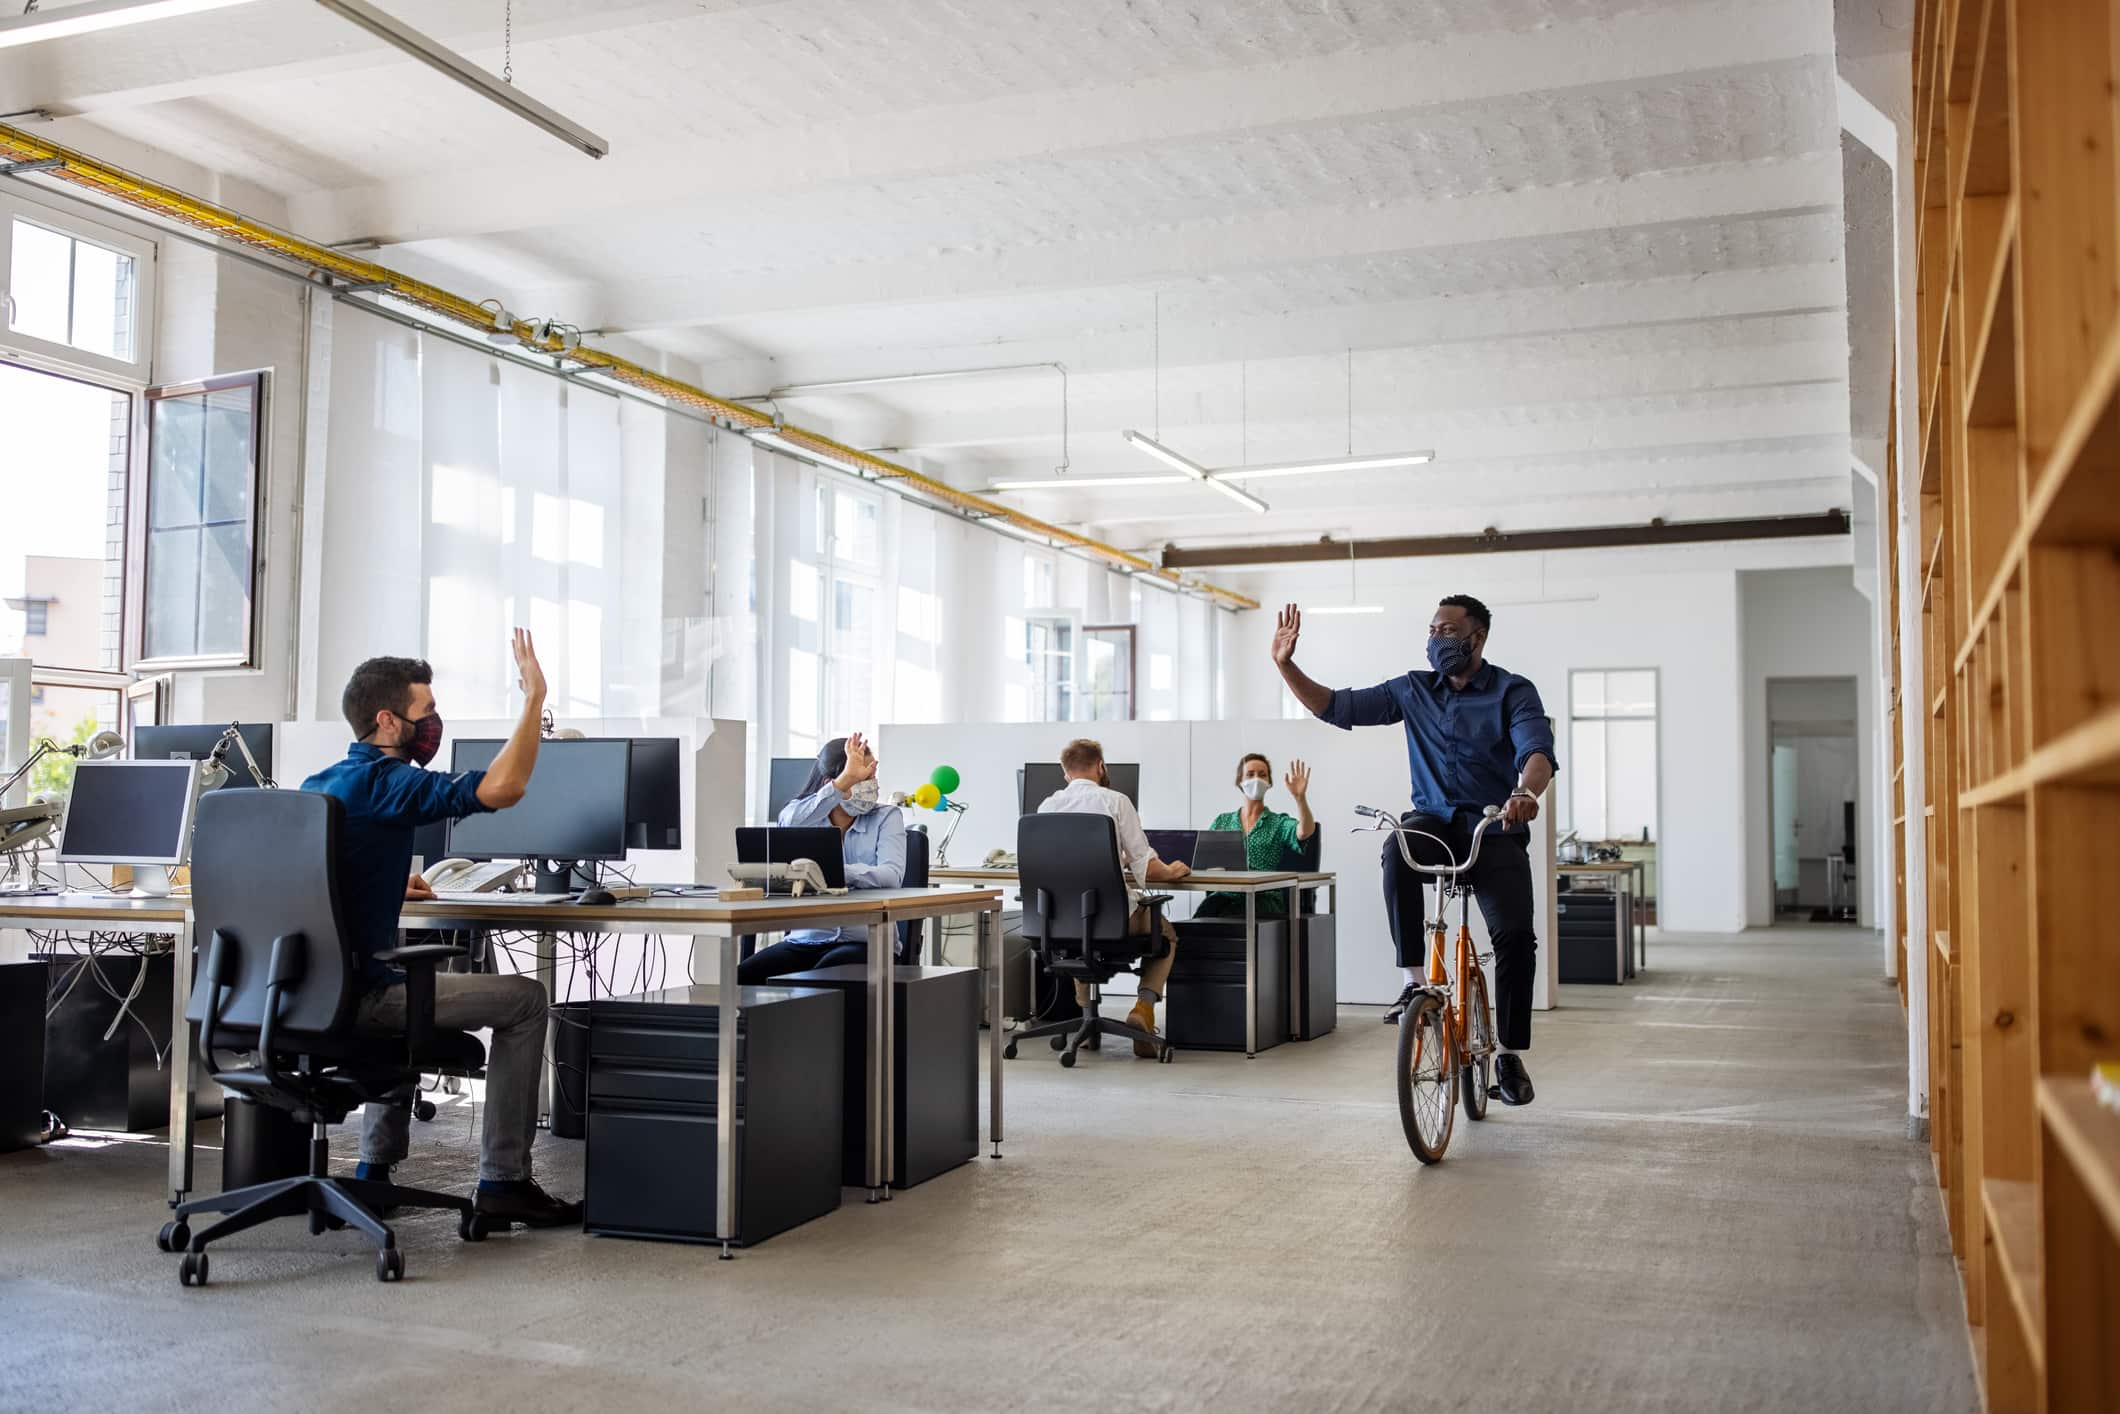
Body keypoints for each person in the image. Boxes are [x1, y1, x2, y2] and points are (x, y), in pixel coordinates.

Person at [301, 630, 581, 1228]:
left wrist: (380, 882)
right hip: (363, 998)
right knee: (527, 1000)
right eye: (425, 712)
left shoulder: (320, 784)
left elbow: (310, 880)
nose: (435, 723)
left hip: (299, 996)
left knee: (407, 971)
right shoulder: (390, 781)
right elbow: (504, 789)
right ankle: (504, 1181)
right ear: (387, 722)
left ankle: (374, 1173)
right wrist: (533, 700)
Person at [1272, 594, 1555, 1106]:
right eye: (1432, 630)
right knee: (1396, 847)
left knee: (1515, 938)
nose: (1436, 639)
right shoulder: (1413, 690)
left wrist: (1525, 793)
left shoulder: (1513, 692)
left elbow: (1536, 751)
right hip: (1433, 823)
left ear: (1478, 637)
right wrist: (1286, 664)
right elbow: (1336, 706)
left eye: (1447, 631)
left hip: (1494, 828)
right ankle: (1412, 979)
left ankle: (1510, 1055)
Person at [1035, 738, 1190, 1056]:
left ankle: (1085, 1022)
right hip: (1112, 919)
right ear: (1101, 766)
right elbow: (1147, 865)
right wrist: (1174, 871)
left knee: (1079, 934)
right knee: (1168, 935)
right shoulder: (1116, 802)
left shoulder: (1046, 807)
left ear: (1065, 774)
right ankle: (1142, 1010)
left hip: (1057, 921)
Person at [737, 732, 907, 984]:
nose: (872, 785)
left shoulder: (887, 816)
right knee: (744, 975)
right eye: (861, 778)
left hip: (865, 940)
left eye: (872, 777)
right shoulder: (803, 814)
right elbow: (788, 822)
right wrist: (843, 783)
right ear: (832, 782)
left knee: (824, 971)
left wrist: (830, 874)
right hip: (807, 938)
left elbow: (891, 875)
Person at [1196, 752, 1316, 919]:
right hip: (1225, 896)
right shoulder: (1222, 821)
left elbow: (1305, 831)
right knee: (1201, 919)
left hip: (1263, 898)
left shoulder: (1278, 822)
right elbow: (1204, 861)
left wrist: (1300, 798)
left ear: (1269, 782)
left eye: (1262, 775)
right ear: (1240, 780)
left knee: (1225, 914)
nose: (1256, 779)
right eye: (1250, 774)